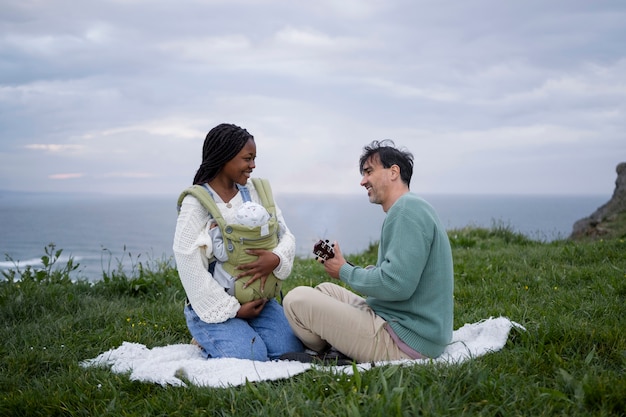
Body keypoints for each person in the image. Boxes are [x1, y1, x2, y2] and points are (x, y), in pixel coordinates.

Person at [281, 140, 454, 363]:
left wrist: (344, 271)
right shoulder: (412, 207)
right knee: (326, 290)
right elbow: (400, 276)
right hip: (403, 323)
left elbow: (396, 285)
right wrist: (346, 267)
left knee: (296, 299)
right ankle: (339, 344)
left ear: (393, 172)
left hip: (404, 341)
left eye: (369, 172)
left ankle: (330, 349)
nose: (363, 181)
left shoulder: (406, 211)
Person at [173, 123, 304, 361]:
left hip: (258, 301)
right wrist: (234, 310)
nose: (253, 166)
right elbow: (188, 261)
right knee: (251, 358)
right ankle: (208, 332)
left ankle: (239, 334)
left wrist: (275, 259)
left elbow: (286, 235)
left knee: (291, 351)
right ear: (225, 158)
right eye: (247, 158)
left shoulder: (256, 191)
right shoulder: (197, 203)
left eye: (254, 158)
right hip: (216, 305)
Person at [206, 201, 282, 303]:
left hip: (240, 292)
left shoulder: (236, 245)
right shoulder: (272, 237)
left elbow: (220, 254)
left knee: (221, 266)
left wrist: (215, 232)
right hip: (266, 289)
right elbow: (283, 231)